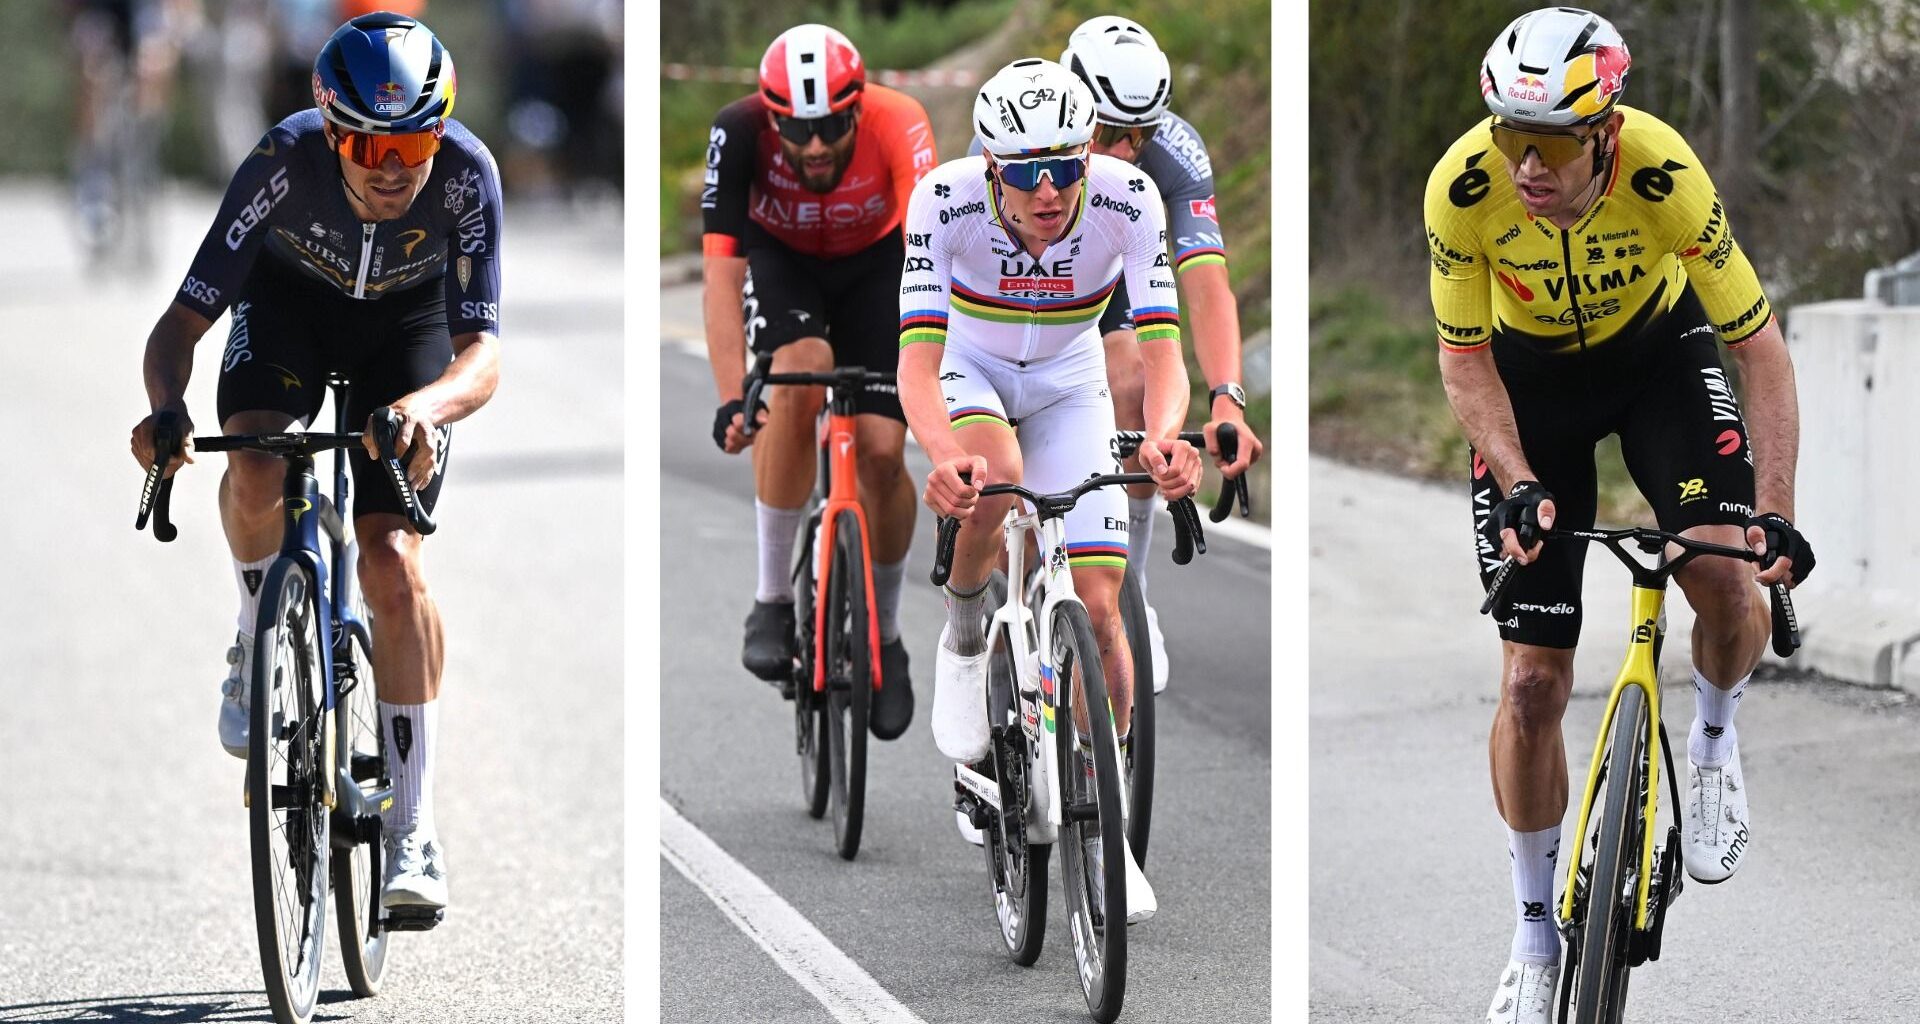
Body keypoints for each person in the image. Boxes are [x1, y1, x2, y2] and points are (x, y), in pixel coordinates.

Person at [1422, 9, 1815, 1021]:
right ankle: (1532, 929)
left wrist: (1774, 510)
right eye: (1511, 137)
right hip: (1528, 387)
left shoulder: (1664, 175)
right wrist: (1515, 478)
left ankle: (1717, 739)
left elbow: (1759, 349)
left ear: (1604, 130)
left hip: (1657, 361)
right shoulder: (1463, 191)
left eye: (1549, 142)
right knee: (1529, 686)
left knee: (1727, 581)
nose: (1525, 166)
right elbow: (1464, 362)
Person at [129, 11, 503, 923]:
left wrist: (425, 406)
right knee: (256, 464)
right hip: (290, 306)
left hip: (406, 335)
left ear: (440, 127)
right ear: (331, 131)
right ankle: (256, 629)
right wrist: (166, 413)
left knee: (393, 558)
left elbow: (483, 353)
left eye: (414, 139)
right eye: (367, 145)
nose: (392, 167)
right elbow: (181, 324)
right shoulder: (281, 161)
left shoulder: (467, 175)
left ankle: (413, 830)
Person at [901, 57, 1203, 925]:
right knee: (991, 476)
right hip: (973, 366)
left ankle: (1103, 832)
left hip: (1071, 379)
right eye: (1027, 173)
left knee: (1103, 610)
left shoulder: (1126, 199)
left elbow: (1160, 354)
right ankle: (964, 635)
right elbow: (917, 365)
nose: (1049, 191)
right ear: (991, 167)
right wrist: (938, 453)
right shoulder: (945, 199)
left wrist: (1165, 434)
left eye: (1065, 167)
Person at [970, 16, 1262, 692]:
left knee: (1133, 376)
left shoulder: (1174, 156)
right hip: (1017, 287)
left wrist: (1228, 397)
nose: (1128, 152)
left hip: (1110, 276)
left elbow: (1206, 281)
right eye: (1110, 135)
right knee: (1013, 443)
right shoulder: (1018, 127)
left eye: (1143, 134)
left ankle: (1130, 587)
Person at [702, 23, 936, 740]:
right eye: (797, 130)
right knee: (797, 376)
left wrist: (943, 375)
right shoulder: (737, 131)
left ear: (859, 109)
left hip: (877, 270)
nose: (813, 145)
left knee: (881, 454)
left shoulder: (902, 123)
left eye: (832, 126)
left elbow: (937, 254)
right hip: (785, 265)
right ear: (771, 117)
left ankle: (887, 636)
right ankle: (773, 597)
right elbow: (721, 276)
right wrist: (732, 396)